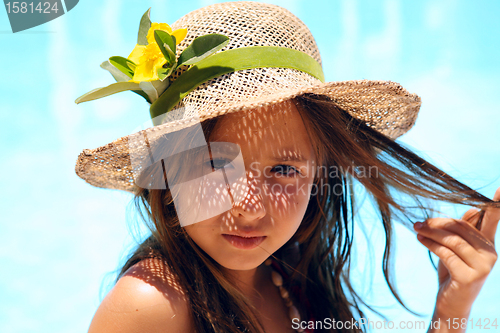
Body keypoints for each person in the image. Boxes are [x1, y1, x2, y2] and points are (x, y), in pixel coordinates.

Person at [74, 2, 500, 332]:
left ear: (318, 176)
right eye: (213, 165)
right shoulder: (152, 305)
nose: (250, 208)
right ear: (167, 172)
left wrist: (453, 307)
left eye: (282, 170)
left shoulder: (287, 273)